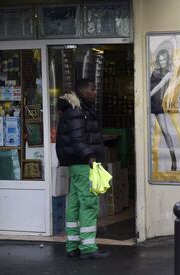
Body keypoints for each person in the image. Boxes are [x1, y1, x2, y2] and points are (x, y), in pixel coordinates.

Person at [56, 78, 109, 259]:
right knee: (88, 203)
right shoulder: (77, 111)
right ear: (83, 91)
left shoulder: (77, 108)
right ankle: (88, 247)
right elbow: (77, 139)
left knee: (75, 203)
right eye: (93, 89)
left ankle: (73, 245)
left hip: (76, 164)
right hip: (83, 163)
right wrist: (90, 157)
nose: (95, 92)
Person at [150, 48, 180, 176]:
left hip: (157, 104)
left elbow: (160, 87)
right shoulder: (154, 71)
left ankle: (173, 158)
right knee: (152, 136)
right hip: (148, 103)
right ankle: (155, 164)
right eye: (160, 59)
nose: (162, 62)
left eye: (164, 59)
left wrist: (149, 94)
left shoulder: (169, 73)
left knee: (165, 132)